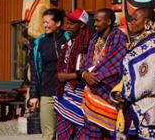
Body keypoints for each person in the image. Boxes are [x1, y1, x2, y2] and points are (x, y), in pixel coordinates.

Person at [112, 7, 155, 140]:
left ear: (147, 22)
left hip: (154, 107)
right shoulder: (137, 43)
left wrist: (128, 94)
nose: (132, 22)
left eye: (135, 19)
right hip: (137, 105)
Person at [79, 8, 128, 139]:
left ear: (109, 21)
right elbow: (85, 64)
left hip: (108, 92)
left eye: (97, 21)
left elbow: (117, 65)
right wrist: (85, 75)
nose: (94, 24)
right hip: (91, 93)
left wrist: (94, 77)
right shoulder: (94, 39)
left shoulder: (120, 38)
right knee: (92, 133)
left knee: (110, 133)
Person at [28, 8, 68, 140]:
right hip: (47, 92)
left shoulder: (68, 39)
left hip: (67, 92)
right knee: (48, 134)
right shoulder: (39, 43)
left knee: (66, 133)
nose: (44, 25)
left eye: (47, 22)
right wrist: (33, 95)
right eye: (43, 22)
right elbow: (34, 72)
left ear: (58, 23)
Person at [54, 8, 92, 140]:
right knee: (63, 134)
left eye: (72, 23)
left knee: (80, 135)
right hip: (65, 94)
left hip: (80, 96)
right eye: (68, 23)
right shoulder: (68, 43)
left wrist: (67, 76)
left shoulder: (88, 44)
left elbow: (88, 71)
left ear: (81, 25)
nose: (68, 26)